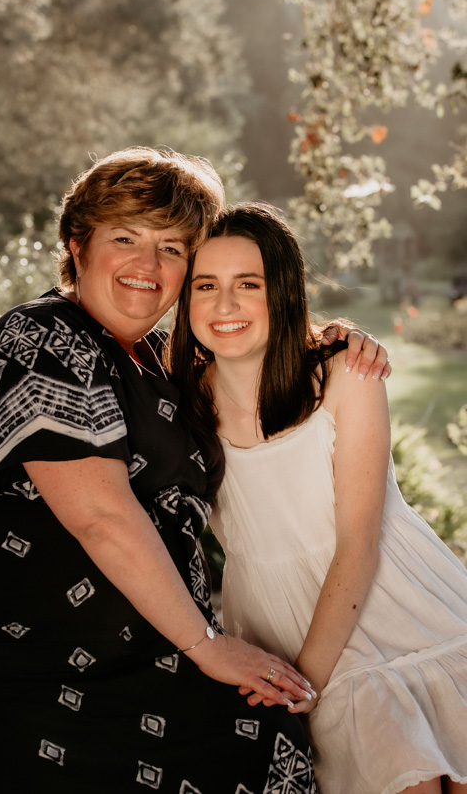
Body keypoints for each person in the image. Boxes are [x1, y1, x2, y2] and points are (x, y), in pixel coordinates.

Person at [0, 148, 387, 794]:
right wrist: (206, 644)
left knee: (267, 737)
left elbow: (256, 350)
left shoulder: (162, 365)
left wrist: (325, 340)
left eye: (173, 248)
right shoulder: (43, 337)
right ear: (77, 245)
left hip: (124, 659)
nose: (148, 266)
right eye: (125, 238)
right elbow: (101, 514)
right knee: (252, 744)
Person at [168, 201, 467, 794]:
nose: (224, 306)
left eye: (247, 285)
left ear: (281, 292)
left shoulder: (345, 374)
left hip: (397, 605)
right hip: (277, 624)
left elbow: (358, 545)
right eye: (206, 285)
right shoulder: (176, 398)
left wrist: (306, 683)